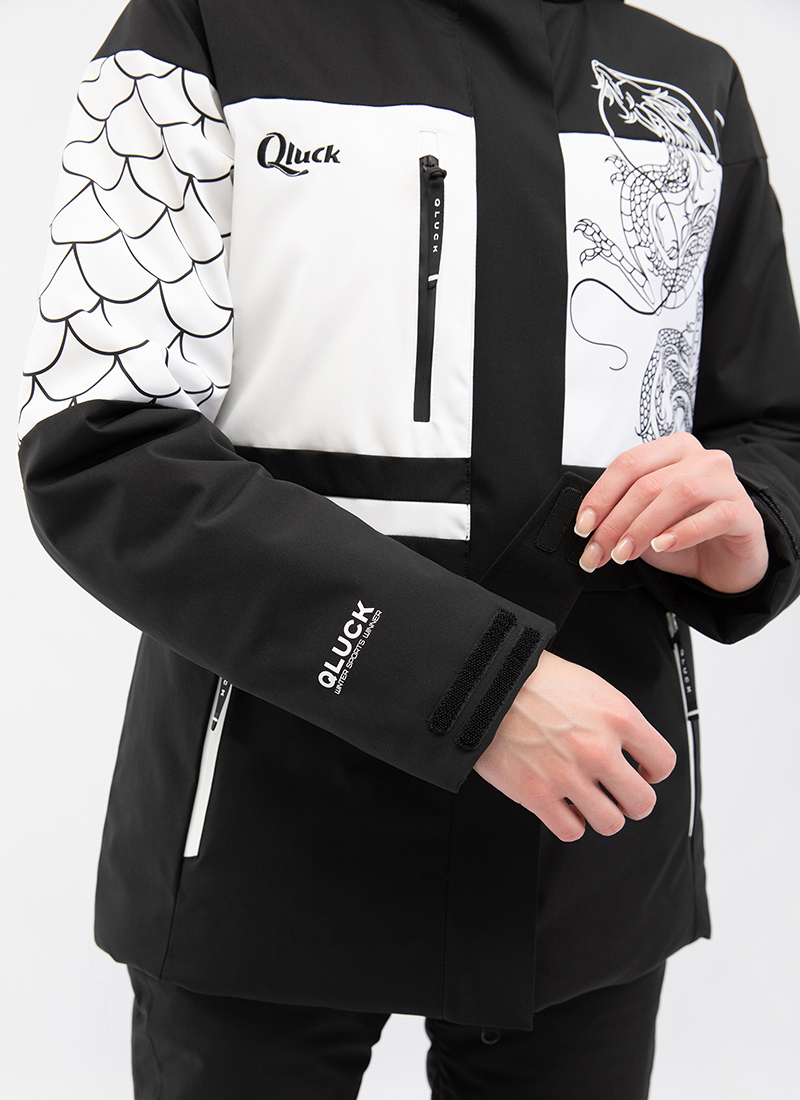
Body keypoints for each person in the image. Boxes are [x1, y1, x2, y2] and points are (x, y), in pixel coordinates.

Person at [17, 0, 800, 1097]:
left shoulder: (688, 82)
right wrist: (471, 687)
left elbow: (769, 426)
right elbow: (102, 450)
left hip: (592, 834)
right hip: (261, 829)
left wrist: (750, 518)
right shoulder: (203, 28)